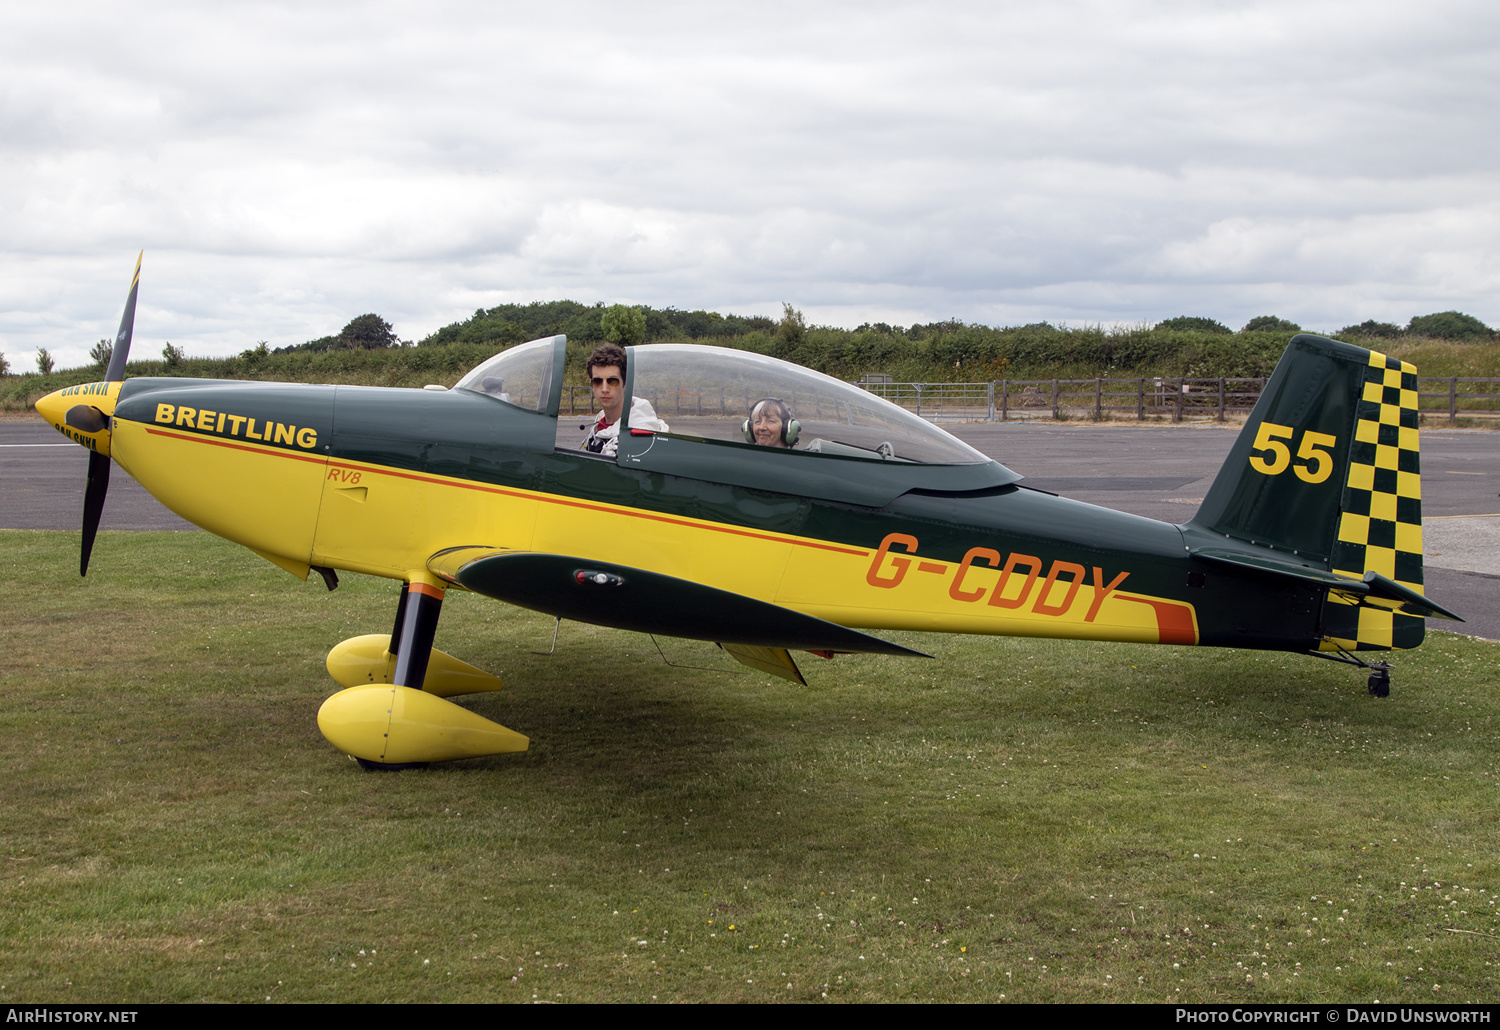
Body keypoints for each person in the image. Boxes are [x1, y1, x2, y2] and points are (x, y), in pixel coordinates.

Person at [582, 344, 668, 456]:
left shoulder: (641, 433)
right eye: (598, 381)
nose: (604, 389)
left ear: (625, 384)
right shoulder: (598, 423)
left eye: (612, 381)